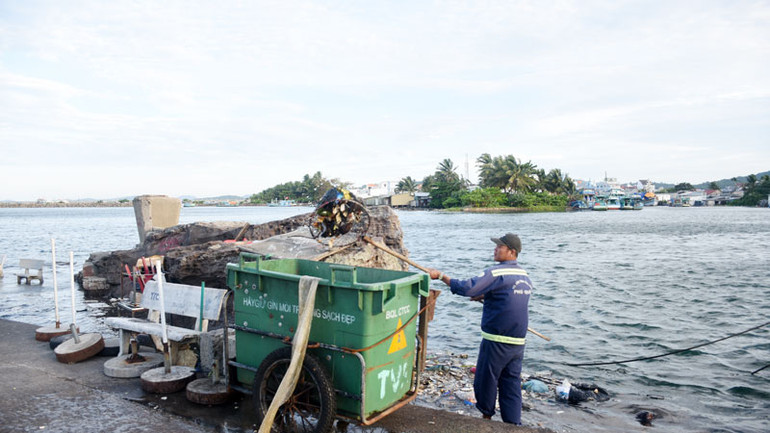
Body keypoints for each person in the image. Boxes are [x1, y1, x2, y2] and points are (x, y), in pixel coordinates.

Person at [428, 233, 532, 425]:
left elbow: (467, 288)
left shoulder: (497, 273)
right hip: (518, 343)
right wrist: (485, 296)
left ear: (512, 252)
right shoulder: (524, 275)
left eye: (500, 246)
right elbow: (509, 297)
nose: (495, 249)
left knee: (486, 380)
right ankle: (513, 425)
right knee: (511, 384)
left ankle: (486, 419)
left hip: (497, 341)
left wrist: (441, 276)